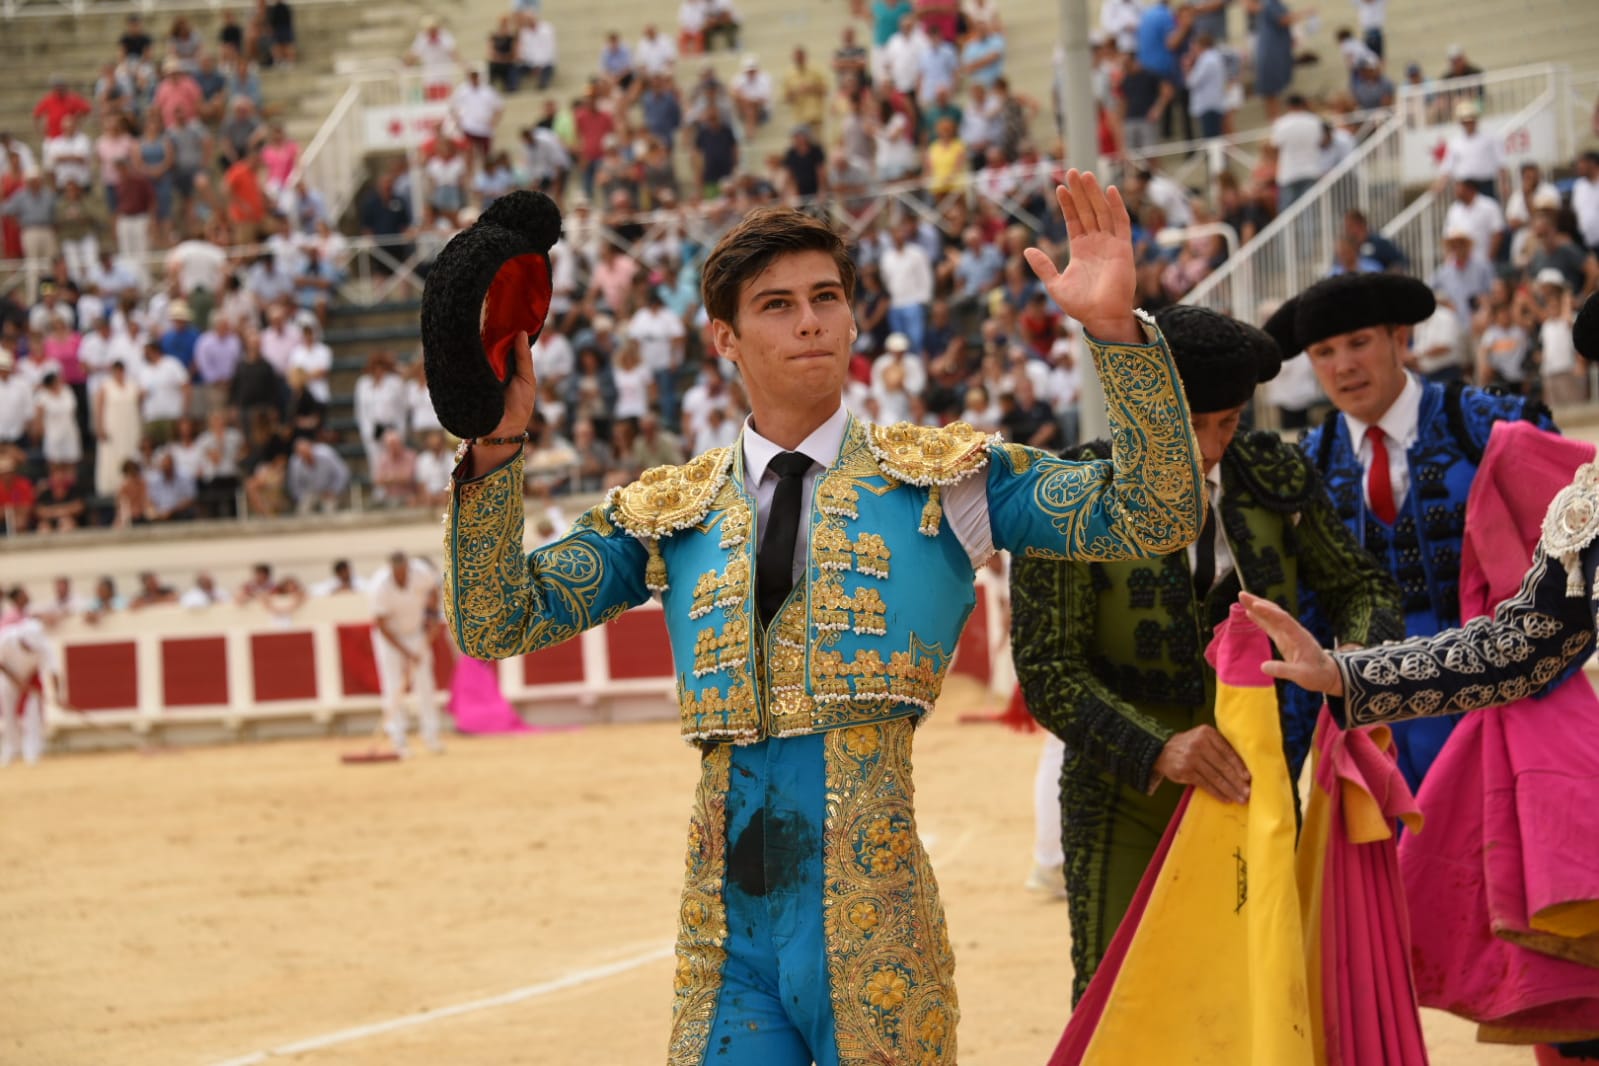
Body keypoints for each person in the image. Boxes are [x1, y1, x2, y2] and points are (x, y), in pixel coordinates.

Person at [432, 176, 1205, 1064]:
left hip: (875, 920)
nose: (810, 322)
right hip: (724, 935)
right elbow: (495, 621)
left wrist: (1116, 337)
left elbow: (1154, 515)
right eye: (777, 305)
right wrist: (496, 448)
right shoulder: (669, 509)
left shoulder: (945, 478)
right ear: (723, 337)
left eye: (826, 299)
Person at [1009, 304, 1403, 1004]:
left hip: (1259, 778)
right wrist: (1156, 747)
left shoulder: (1269, 474)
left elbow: (1360, 585)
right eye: (1189, 427)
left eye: (1226, 423)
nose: (1212, 448)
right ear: (1142, 412)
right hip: (1125, 790)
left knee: (1261, 996)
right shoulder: (1069, 494)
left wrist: (1348, 663)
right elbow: (1046, 670)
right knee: (1125, 997)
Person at [1263, 271, 1558, 791]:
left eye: (1359, 343)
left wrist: (1539, 682)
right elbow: (1303, 620)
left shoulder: (1489, 426)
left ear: (1400, 339)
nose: (1344, 365)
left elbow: (1565, 573)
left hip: (1497, 697)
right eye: (1324, 352)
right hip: (1374, 722)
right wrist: (1280, 782)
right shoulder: (1304, 468)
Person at [369, 551, 443, 757]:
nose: (401, 574)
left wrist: (433, 617)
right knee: (393, 686)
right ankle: (398, 739)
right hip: (390, 639)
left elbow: (434, 591)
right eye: (397, 571)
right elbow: (381, 626)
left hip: (416, 632)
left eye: (404, 570)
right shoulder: (379, 586)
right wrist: (407, 652)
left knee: (425, 683)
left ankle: (431, 735)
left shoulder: (421, 572)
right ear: (391, 569)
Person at [0, 612, 66, 767]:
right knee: (8, 713)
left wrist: (57, 695)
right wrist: (15, 679)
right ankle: (12, 748)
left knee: (33, 713)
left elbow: (54, 670)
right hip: (8, 678)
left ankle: (32, 751)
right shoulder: (6, 638)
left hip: (30, 678)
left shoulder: (43, 645)